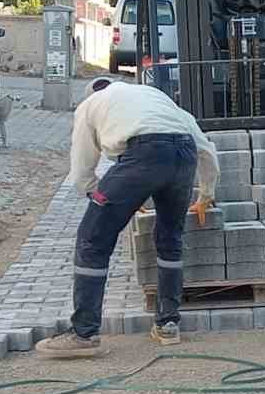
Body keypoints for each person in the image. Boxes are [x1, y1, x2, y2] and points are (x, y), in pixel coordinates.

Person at [36, 77, 220, 358]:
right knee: (170, 239)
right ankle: (168, 324)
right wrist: (205, 194)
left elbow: (83, 164)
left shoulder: (89, 106)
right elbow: (204, 147)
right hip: (183, 155)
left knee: (92, 240)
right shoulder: (154, 96)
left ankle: (84, 333)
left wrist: (100, 194)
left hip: (143, 153)